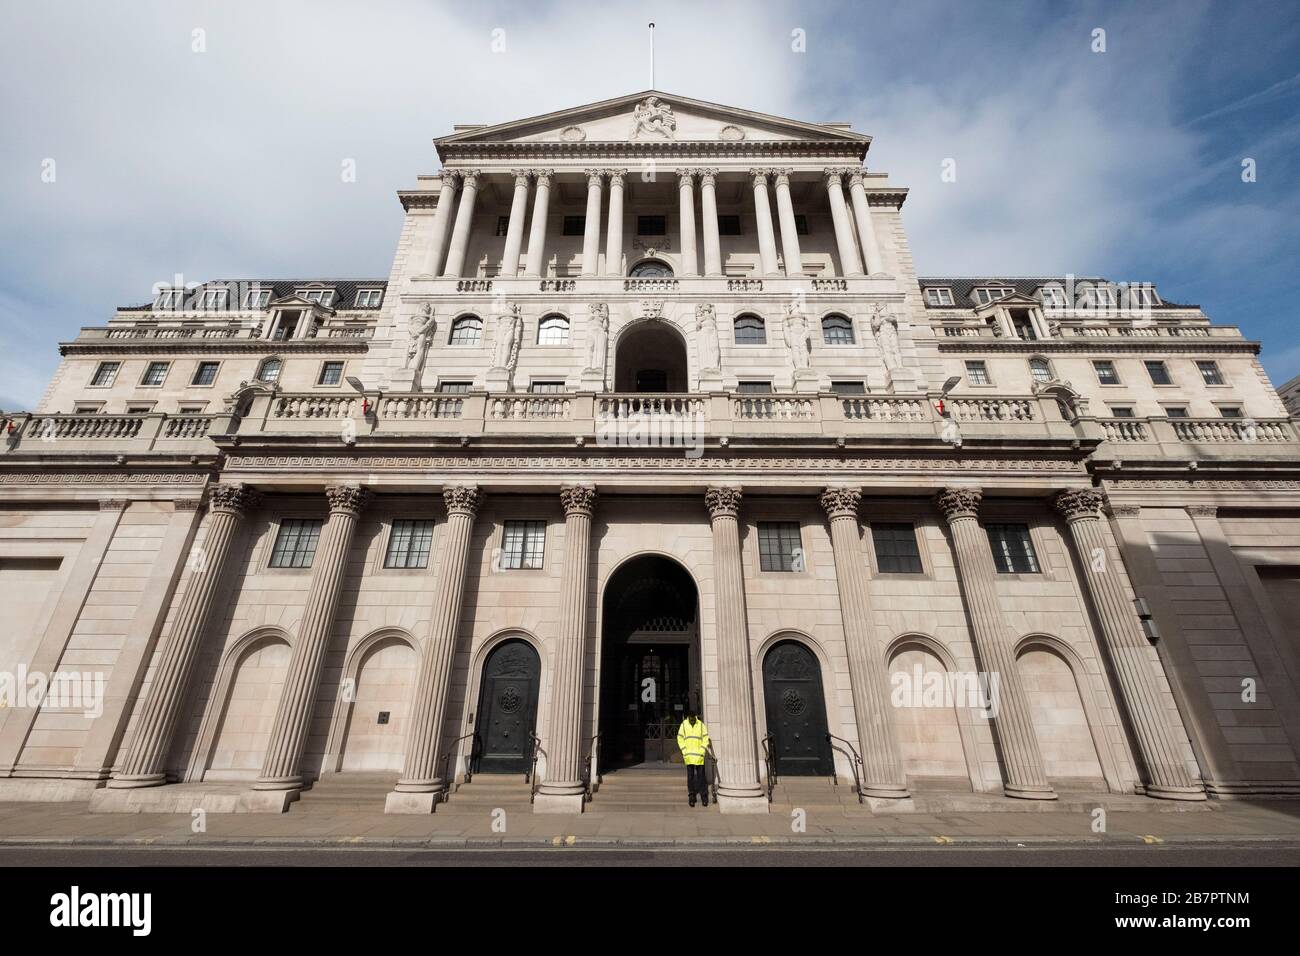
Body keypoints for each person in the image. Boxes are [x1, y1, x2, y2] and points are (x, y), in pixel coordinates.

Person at [676, 711, 710, 807]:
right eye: (690, 718)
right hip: (689, 756)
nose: (692, 719)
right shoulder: (684, 725)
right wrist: (684, 751)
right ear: (688, 717)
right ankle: (692, 796)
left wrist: (702, 750)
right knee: (690, 778)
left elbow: (705, 738)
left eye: (693, 718)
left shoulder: (700, 725)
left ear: (695, 717)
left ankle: (704, 797)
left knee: (701, 778)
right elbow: (680, 738)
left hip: (699, 756)